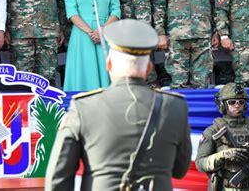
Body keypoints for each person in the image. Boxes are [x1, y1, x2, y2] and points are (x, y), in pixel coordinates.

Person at [46, 19, 192, 190]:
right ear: (149, 68)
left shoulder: (83, 107)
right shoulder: (174, 107)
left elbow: (58, 177)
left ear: (108, 64)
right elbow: (180, 170)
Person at [63, 0, 120, 91]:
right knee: (82, 72)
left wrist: (101, 30)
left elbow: (116, 11)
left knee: (105, 73)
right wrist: (91, 32)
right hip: (82, 35)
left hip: (105, 34)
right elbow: (72, 13)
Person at [196, 83, 249, 190]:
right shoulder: (213, 131)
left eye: (241, 102)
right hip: (226, 187)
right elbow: (200, 164)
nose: (237, 105)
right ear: (223, 104)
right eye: (232, 102)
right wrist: (222, 155)